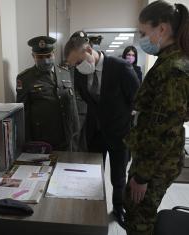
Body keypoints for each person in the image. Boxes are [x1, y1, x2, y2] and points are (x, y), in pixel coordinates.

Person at [123, 1, 189, 234]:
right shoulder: (166, 61)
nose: (141, 38)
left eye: (143, 32)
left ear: (161, 29)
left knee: (139, 218)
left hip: (156, 163)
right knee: (133, 209)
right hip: (151, 158)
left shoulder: (173, 69)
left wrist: (142, 176)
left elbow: (165, 130)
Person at [64, 31, 139, 227]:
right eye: (73, 65)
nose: (77, 67)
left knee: (118, 175)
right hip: (95, 131)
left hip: (119, 132)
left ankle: (118, 208)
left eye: (78, 62)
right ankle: (93, 208)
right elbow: (89, 101)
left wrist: (127, 121)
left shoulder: (121, 68)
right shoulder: (80, 74)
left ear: (89, 50)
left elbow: (137, 100)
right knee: (93, 174)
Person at [16, 36, 79, 151]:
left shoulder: (65, 73)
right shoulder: (25, 78)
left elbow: (73, 105)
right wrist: (28, 143)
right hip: (42, 140)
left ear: (54, 54)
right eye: (40, 57)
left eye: (48, 56)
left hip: (67, 136)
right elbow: (22, 114)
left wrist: (76, 133)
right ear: (33, 56)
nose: (45, 60)